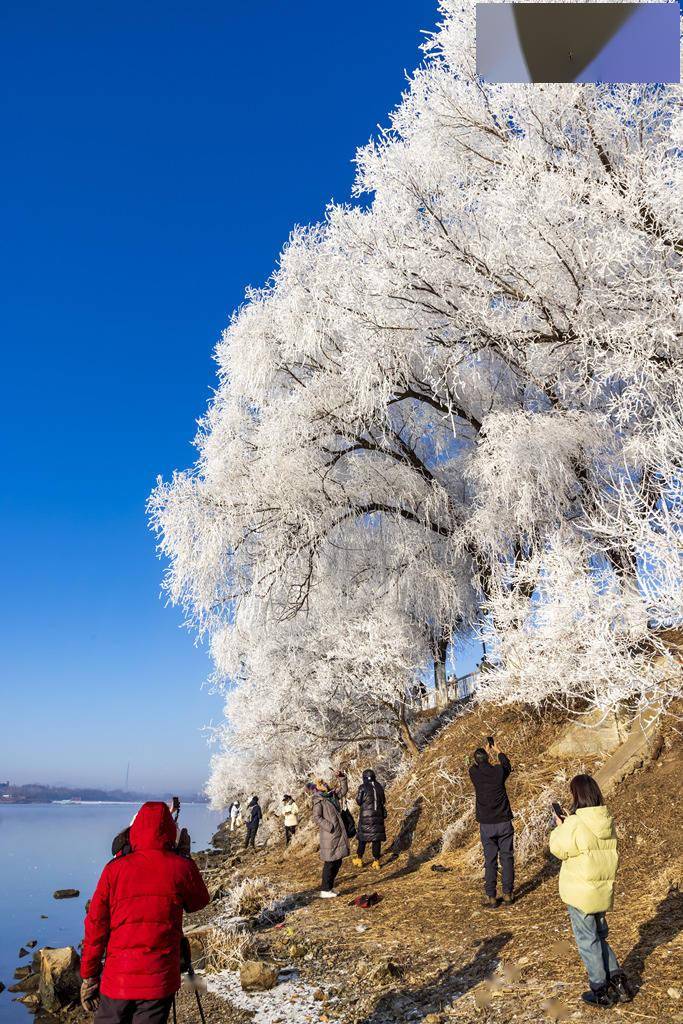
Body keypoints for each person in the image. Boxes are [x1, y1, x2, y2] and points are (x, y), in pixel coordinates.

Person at [79, 801, 210, 1023]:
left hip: (117, 978)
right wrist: (186, 857)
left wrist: (89, 975)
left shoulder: (114, 869)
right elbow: (198, 902)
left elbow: (95, 926)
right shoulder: (180, 866)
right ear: (171, 832)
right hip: (159, 980)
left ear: (134, 829)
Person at [549, 774, 633, 1008]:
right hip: (602, 889)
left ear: (577, 796)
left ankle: (600, 989)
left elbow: (557, 848)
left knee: (588, 940)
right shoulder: (606, 819)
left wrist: (559, 827)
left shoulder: (575, 823)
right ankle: (618, 980)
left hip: (580, 892)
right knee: (600, 936)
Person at [469, 738, 514, 907]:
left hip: (486, 824)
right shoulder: (498, 772)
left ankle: (491, 897)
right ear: (488, 759)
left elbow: (474, 766)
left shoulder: (475, 773)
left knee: (490, 860)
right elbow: (507, 765)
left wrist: (485, 753)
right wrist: (498, 751)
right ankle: (508, 894)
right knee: (507, 857)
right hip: (503, 821)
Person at [308, 780, 350, 898]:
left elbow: (344, 790)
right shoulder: (319, 801)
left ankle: (329, 887)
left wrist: (342, 778)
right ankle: (325, 889)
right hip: (330, 835)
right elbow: (317, 817)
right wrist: (329, 826)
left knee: (338, 860)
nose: (325, 784)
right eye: (321, 784)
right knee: (330, 862)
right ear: (318, 788)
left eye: (324, 783)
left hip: (338, 833)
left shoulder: (332, 795)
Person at [352, 769, 386, 870]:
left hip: (366, 816)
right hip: (378, 816)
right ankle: (376, 861)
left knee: (362, 837)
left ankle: (359, 859)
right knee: (376, 839)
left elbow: (358, 801)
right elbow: (383, 800)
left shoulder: (362, 787)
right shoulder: (379, 786)